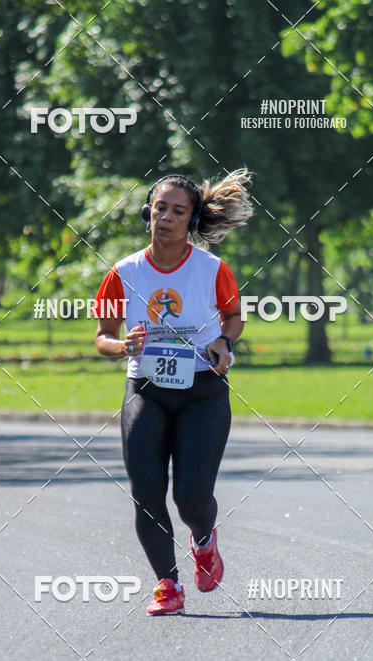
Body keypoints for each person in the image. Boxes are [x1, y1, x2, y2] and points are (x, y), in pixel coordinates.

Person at [94, 169, 253, 615]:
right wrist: (122, 345)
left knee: (191, 497)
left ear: (191, 220)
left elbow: (234, 317)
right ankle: (168, 584)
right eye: (159, 208)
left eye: (177, 211)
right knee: (146, 491)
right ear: (148, 212)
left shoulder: (213, 269)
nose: (165, 217)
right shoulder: (123, 272)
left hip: (203, 392)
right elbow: (103, 336)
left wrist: (224, 341)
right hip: (146, 389)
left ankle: (204, 539)